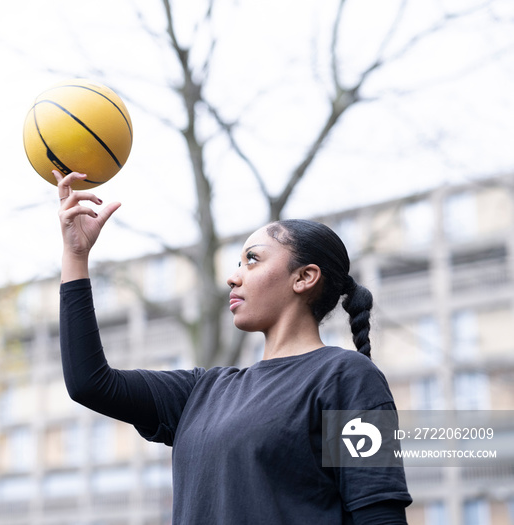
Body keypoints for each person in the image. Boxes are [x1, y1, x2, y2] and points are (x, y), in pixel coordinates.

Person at [55, 170, 412, 524]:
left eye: (252, 259)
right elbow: (90, 383)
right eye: (237, 262)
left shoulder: (346, 378)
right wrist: (76, 255)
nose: (233, 276)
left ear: (304, 277)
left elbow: (380, 519)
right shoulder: (199, 393)